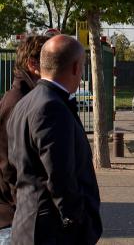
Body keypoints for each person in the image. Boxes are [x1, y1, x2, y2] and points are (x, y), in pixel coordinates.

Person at [7, 35, 102, 244]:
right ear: (76, 67)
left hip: (29, 224)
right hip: (51, 231)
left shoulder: (26, 102)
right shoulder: (51, 107)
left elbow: (15, 167)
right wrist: (77, 221)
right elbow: (60, 177)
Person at [0, 35, 50, 243]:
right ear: (33, 64)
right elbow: (9, 166)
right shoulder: (19, 102)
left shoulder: (25, 98)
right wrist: (25, 205)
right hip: (14, 219)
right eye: (50, 62)